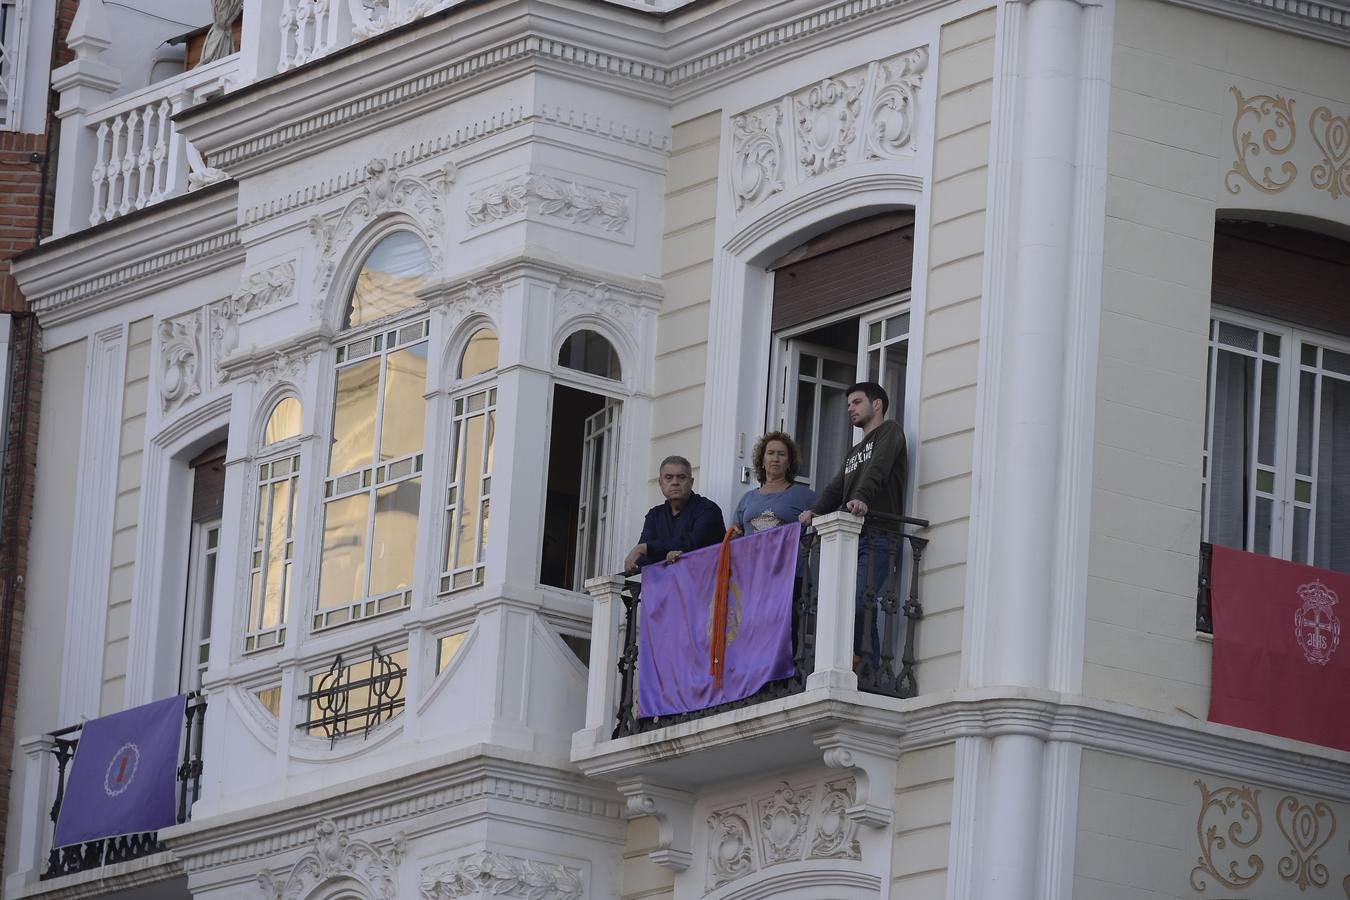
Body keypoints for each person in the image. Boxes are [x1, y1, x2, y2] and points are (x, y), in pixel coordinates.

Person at [798, 382, 907, 667]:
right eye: (848, 405)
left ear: (877, 404)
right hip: (852, 538)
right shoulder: (852, 453)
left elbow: (878, 468)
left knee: (859, 601)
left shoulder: (890, 431)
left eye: (857, 402)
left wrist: (861, 498)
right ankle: (862, 666)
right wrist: (816, 510)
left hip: (879, 536)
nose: (850, 409)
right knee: (850, 604)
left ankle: (865, 664)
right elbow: (836, 487)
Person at [624, 456, 725, 574]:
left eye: (681, 477)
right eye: (668, 478)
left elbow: (694, 543)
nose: (675, 482)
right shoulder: (654, 515)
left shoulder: (708, 509)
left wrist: (648, 548)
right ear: (660, 484)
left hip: (705, 586)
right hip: (664, 588)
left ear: (691, 482)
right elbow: (642, 559)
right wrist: (661, 551)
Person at [731, 431, 816, 535]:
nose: (775, 459)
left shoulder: (803, 495)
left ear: (789, 462)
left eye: (782, 454)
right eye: (770, 453)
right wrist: (733, 532)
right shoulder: (747, 498)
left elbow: (832, 516)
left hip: (787, 552)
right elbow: (735, 533)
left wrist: (813, 515)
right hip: (750, 551)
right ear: (762, 461)